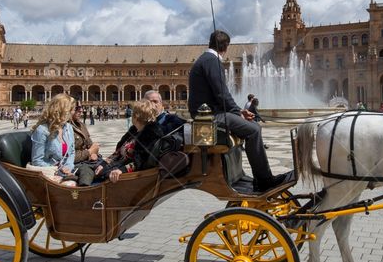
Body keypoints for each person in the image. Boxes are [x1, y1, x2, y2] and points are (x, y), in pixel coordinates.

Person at [188, 29, 292, 192]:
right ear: (225, 47)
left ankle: (252, 177)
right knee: (254, 130)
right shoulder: (212, 62)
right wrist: (238, 113)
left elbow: (220, 94)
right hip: (210, 117)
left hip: (206, 114)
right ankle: (264, 180)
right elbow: (221, 93)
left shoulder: (205, 59)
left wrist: (239, 111)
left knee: (250, 128)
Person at [93, 100, 165, 183]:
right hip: (117, 165)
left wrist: (122, 170)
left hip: (129, 175)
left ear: (136, 116)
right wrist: (104, 164)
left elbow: (141, 161)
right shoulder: (134, 131)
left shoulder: (150, 134)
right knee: (94, 169)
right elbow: (118, 153)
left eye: (133, 113)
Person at [30, 94, 76, 179]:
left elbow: (72, 152)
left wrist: (68, 167)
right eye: (72, 109)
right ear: (63, 110)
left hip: (67, 172)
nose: (73, 112)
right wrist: (59, 170)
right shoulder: (42, 130)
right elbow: (37, 160)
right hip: (49, 172)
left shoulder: (68, 127)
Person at [69, 103, 102, 185]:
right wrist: (89, 152)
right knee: (86, 174)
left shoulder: (81, 125)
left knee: (107, 166)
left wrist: (94, 153)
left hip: (88, 161)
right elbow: (69, 156)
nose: (81, 110)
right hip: (76, 164)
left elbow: (90, 144)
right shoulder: (67, 127)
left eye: (81, 107)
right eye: (77, 108)